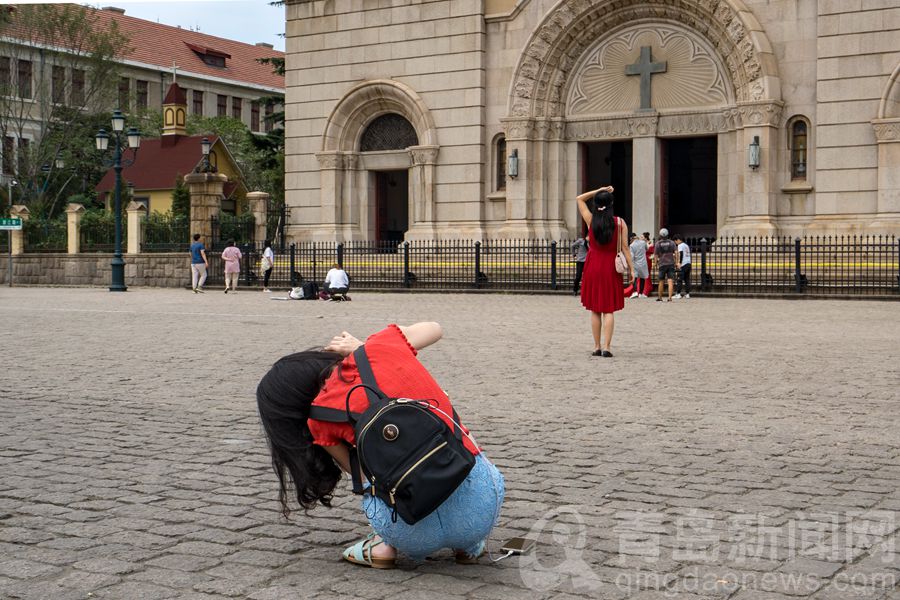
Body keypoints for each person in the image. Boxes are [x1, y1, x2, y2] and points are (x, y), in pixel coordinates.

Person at [255, 322, 505, 568]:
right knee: (458, 432)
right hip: (482, 509)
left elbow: (366, 482)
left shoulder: (319, 421)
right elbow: (435, 328)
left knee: (377, 485)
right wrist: (366, 347)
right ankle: (468, 546)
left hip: (411, 532)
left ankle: (383, 545)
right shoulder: (380, 347)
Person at [576, 186, 634, 357]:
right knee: (608, 309)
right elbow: (624, 247)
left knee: (595, 309)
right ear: (611, 204)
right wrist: (632, 269)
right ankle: (607, 347)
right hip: (610, 266)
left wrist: (598, 191)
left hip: (593, 265)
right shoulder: (619, 222)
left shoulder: (590, 219)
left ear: (596, 204)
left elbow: (579, 198)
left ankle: (596, 346)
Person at [654, 228, 677, 302]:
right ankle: (670, 297)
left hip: (662, 264)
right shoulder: (672, 243)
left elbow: (656, 255)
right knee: (670, 281)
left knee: (661, 281)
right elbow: (676, 252)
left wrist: (655, 263)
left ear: (660, 235)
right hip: (670, 263)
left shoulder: (658, 243)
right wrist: (677, 261)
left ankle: (660, 297)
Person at [628, 232, 649, 299]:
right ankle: (641, 293)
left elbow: (632, 256)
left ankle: (635, 292)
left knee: (635, 278)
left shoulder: (632, 245)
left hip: (636, 263)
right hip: (643, 263)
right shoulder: (643, 242)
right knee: (642, 278)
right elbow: (647, 249)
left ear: (631, 238)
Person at [674, 234, 692, 299]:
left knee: (679, 279)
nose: (675, 243)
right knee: (687, 279)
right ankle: (687, 294)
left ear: (678, 240)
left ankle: (678, 294)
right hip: (688, 263)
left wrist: (680, 263)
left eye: (675, 241)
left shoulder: (680, 245)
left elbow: (681, 254)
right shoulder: (686, 245)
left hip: (683, 264)